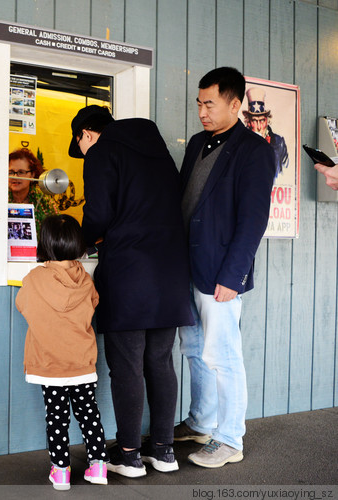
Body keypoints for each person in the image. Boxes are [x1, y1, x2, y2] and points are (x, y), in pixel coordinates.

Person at [69, 105, 193, 478]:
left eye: (82, 145)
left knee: (126, 366)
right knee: (159, 362)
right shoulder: (158, 151)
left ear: (86, 135)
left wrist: (76, 242)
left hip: (130, 271)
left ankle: (128, 455)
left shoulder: (103, 152)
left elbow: (100, 213)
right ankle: (163, 451)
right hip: (170, 271)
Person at [175, 67, 275, 468]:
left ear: (236, 104)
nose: (201, 111)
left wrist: (234, 277)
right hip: (186, 267)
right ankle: (202, 421)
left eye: (210, 104)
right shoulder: (198, 142)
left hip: (221, 272)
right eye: (199, 103)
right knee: (195, 349)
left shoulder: (254, 150)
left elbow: (253, 221)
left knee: (223, 353)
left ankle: (230, 438)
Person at [15, 214, 108, 490]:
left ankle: (61, 472)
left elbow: (23, 305)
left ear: (45, 244)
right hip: (81, 364)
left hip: (50, 364)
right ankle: (99, 466)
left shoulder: (34, 279)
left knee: (57, 418)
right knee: (89, 413)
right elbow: (93, 304)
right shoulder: (86, 279)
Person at [242, 87, 288, 180]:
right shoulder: (240, 144)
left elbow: (284, 172)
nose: (259, 127)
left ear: (267, 120)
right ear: (249, 122)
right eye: (255, 121)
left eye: (262, 120)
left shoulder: (279, 142)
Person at [8, 147, 58, 233]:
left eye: (21, 172)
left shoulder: (45, 202)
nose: (15, 177)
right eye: (11, 172)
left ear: (32, 175)